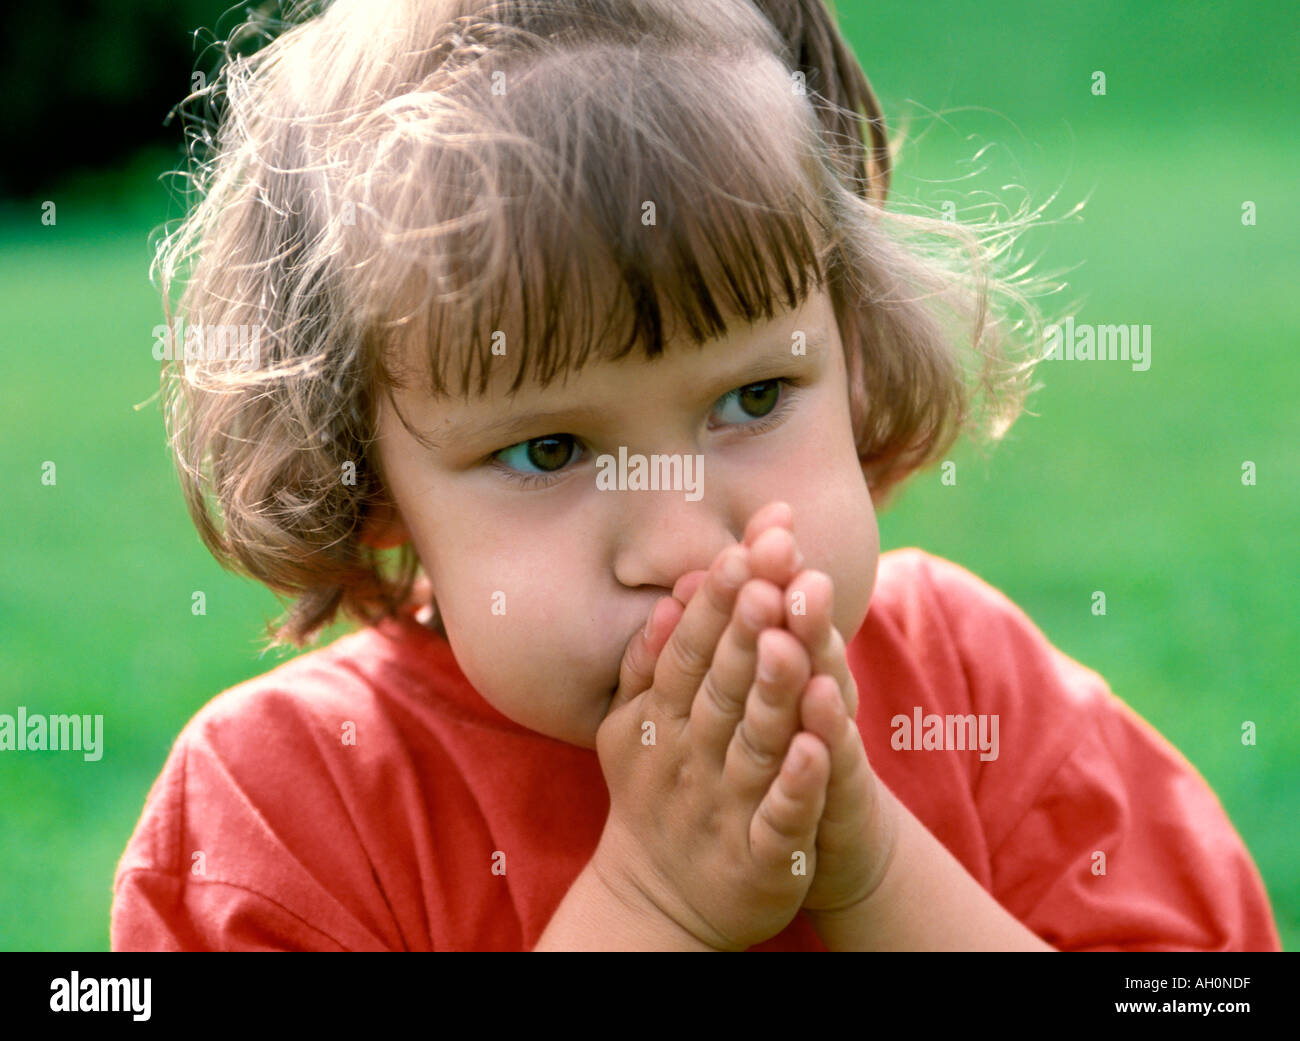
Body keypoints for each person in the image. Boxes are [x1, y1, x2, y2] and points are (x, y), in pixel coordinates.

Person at [111, 0, 1280, 950]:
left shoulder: (972, 693)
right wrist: (650, 910)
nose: (686, 542)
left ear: (855, 352)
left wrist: (870, 873)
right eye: (548, 451)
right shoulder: (287, 808)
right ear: (366, 484)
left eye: (753, 399)